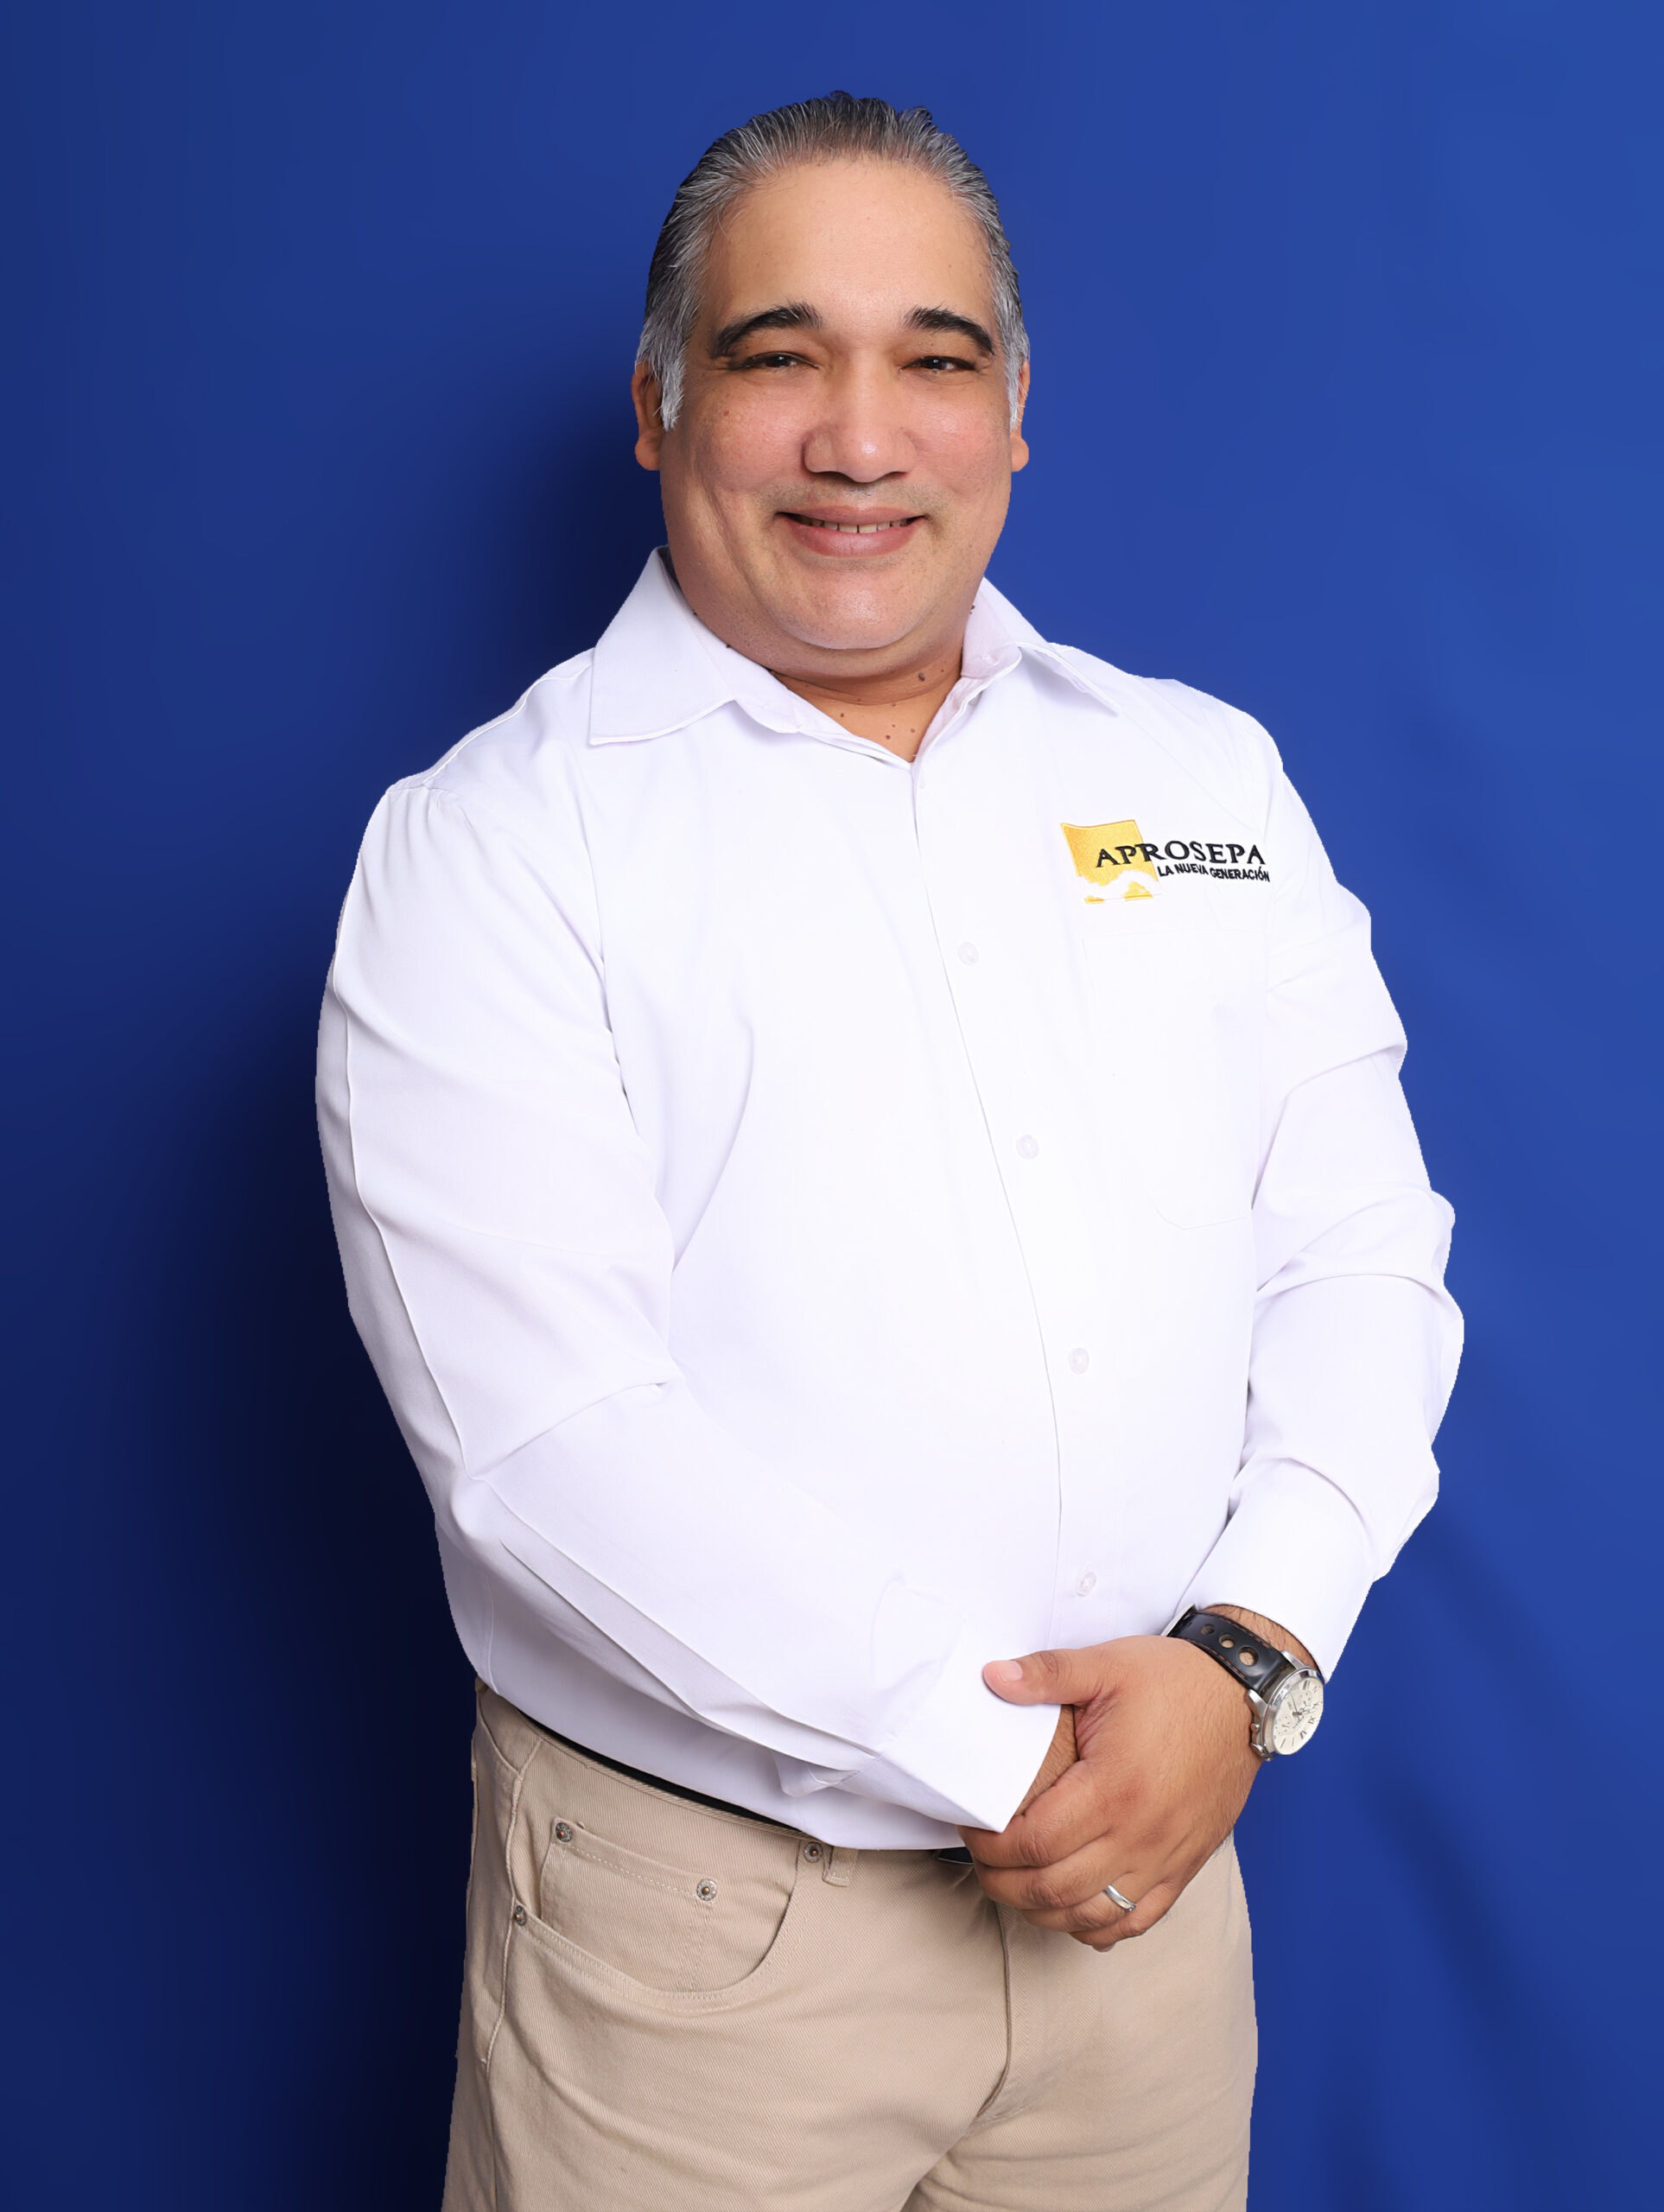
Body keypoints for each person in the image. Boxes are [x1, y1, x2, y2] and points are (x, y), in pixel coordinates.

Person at [317, 92, 1460, 2212]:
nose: (861, 437)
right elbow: (548, 1441)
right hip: (712, 1951)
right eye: (781, 356)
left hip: (1153, 1907)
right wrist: (1027, 1756)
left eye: (934, 359)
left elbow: (1361, 1251)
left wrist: (1244, 1657)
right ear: (659, 404)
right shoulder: (492, 849)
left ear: (1013, 413)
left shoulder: (1202, 779)